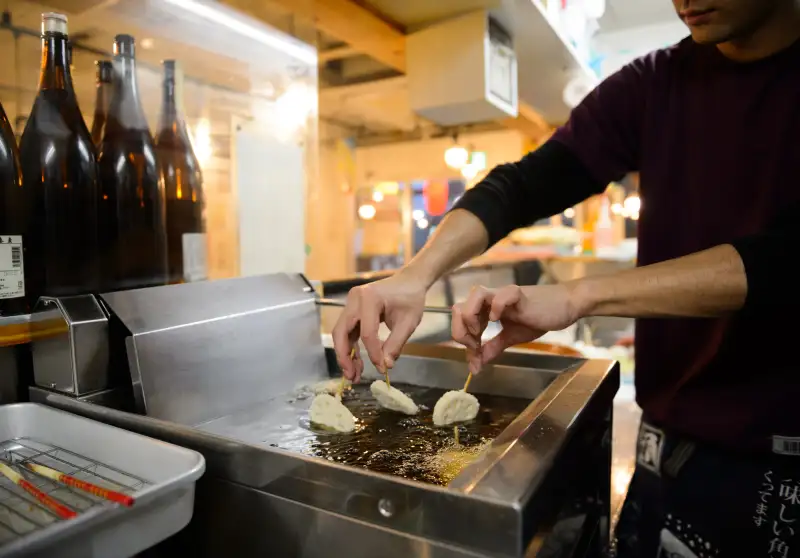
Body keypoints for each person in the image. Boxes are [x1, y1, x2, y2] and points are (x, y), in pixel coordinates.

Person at [332, 0, 800, 555]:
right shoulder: (657, 83)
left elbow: (784, 263)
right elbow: (522, 185)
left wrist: (579, 295)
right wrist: (415, 275)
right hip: (669, 439)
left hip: (779, 454)